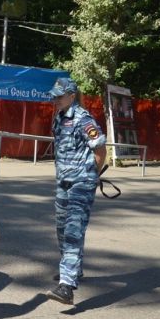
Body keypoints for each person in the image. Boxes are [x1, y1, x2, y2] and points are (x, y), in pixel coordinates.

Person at [46, 77, 107, 305]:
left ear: (72, 96)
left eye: (59, 97)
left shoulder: (84, 120)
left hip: (82, 183)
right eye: (54, 97)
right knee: (61, 229)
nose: (55, 100)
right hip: (63, 182)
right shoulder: (59, 119)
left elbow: (100, 149)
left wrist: (92, 176)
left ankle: (67, 285)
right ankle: (73, 270)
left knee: (73, 231)